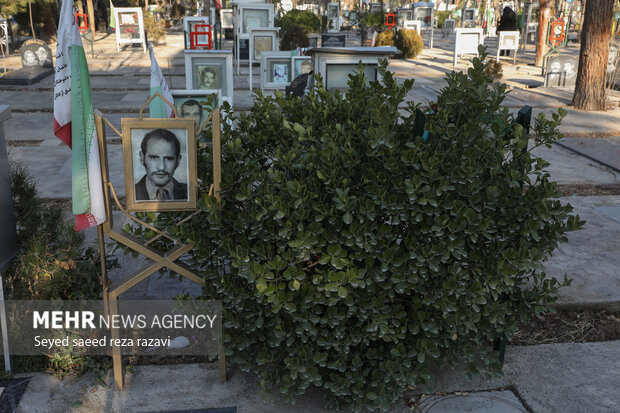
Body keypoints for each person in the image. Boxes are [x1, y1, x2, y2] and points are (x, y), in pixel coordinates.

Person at [135, 129, 187, 201]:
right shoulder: (133, 194)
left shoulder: (188, 193)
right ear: (142, 158)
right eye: (154, 157)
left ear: (178, 160)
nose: (161, 167)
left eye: (168, 159)